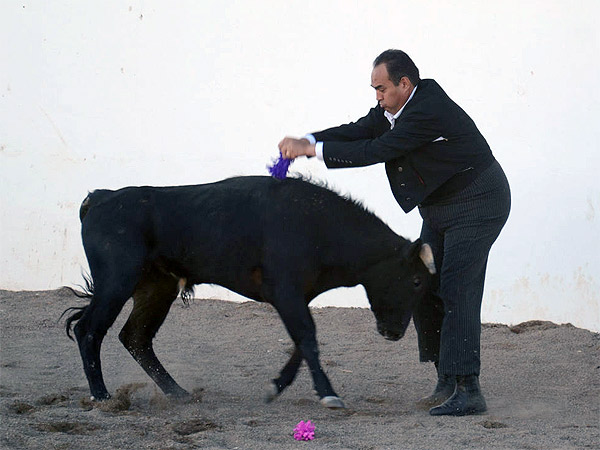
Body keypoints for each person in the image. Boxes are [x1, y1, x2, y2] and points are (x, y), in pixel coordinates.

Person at [278, 49, 511, 416]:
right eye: (374, 90)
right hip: (439, 208)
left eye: (382, 89)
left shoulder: (425, 109)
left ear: (405, 83)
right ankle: (446, 379)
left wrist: (313, 150)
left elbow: (377, 149)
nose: (377, 97)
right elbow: (359, 131)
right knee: (424, 283)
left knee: (457, 287)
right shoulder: (393, 109)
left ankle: (470, 389)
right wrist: (308, 140)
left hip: (478, 202)